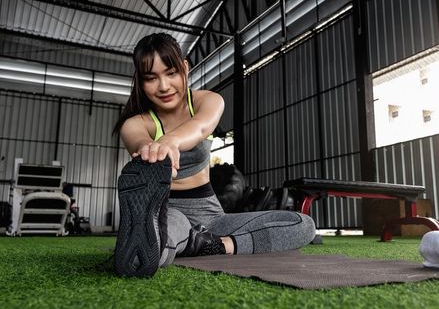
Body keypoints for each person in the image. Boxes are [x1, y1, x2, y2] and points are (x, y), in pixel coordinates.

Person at [112, 33, 316, 277]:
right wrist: (151, 148)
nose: (164, 86)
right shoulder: (137, 123)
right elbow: (139, 141)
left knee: (302, 225)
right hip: (168, 211)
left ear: (184, 68)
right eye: (151, 78)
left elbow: (200, 127)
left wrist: (169, 141)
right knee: (154, 248)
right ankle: (158, 241)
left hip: (212, 215)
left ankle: (215, 245)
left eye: (171, 73)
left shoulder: (207, 100)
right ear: (140, 81)